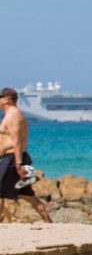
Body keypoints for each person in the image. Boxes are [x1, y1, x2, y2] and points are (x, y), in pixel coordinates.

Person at [0, 86, 52, 224]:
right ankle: (49, 222)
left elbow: (16, 141)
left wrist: (18, 164)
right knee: (27, 194)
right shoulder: (12, 114)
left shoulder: (13, 115)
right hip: (13, 158)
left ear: (7, 99)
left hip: (13, 159)